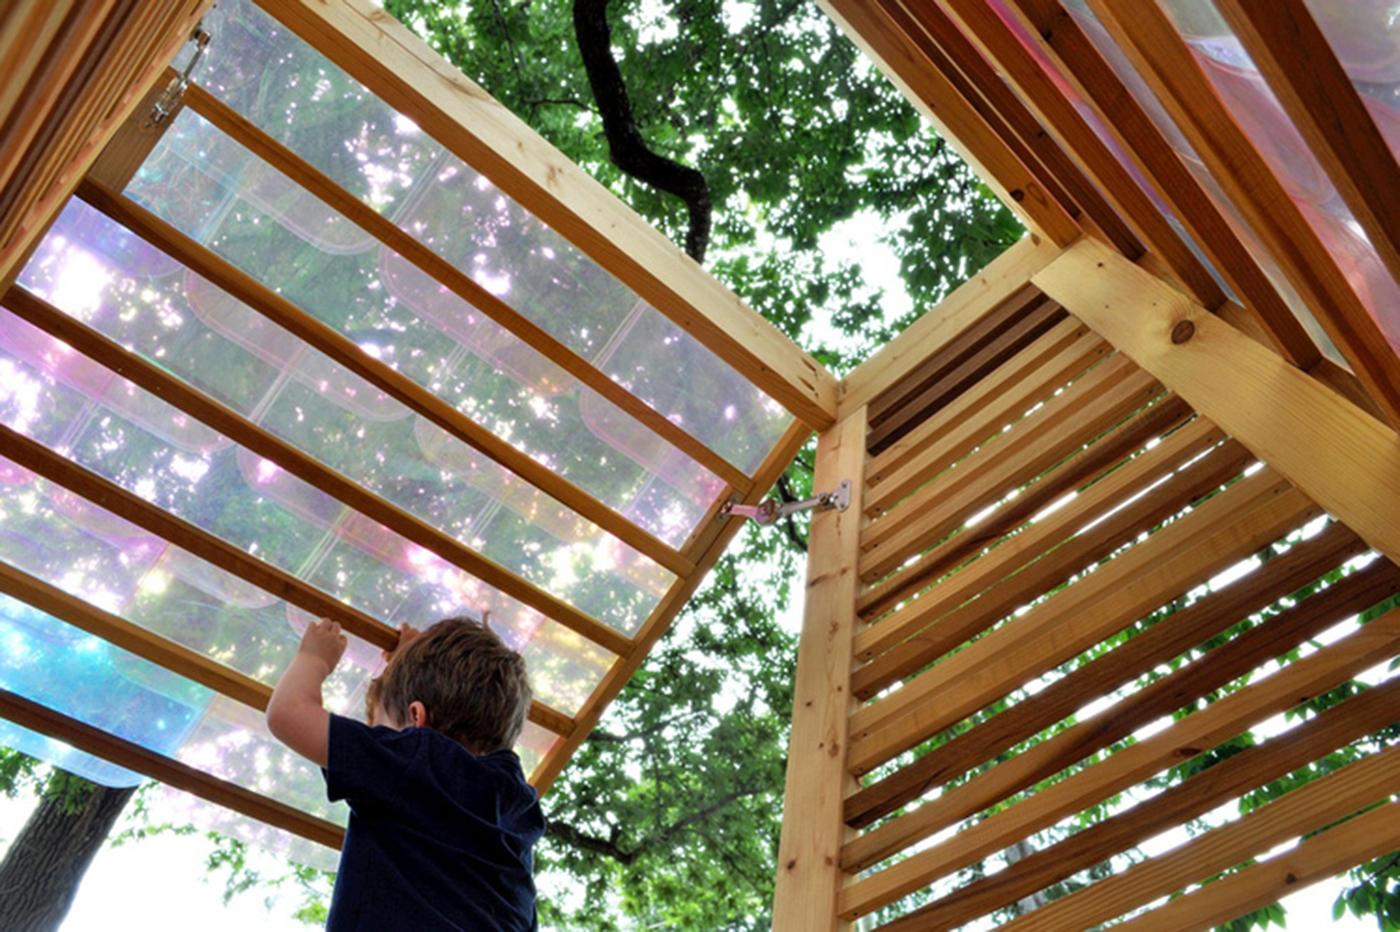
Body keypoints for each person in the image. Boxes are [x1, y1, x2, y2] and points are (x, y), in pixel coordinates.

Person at [267, 615, 544, 930]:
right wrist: (405, 670)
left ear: (416, 717)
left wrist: (314, 657)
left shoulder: (418, 758)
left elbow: (287, 712)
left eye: (380, 732)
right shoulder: (516, 815)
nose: (380, 742)